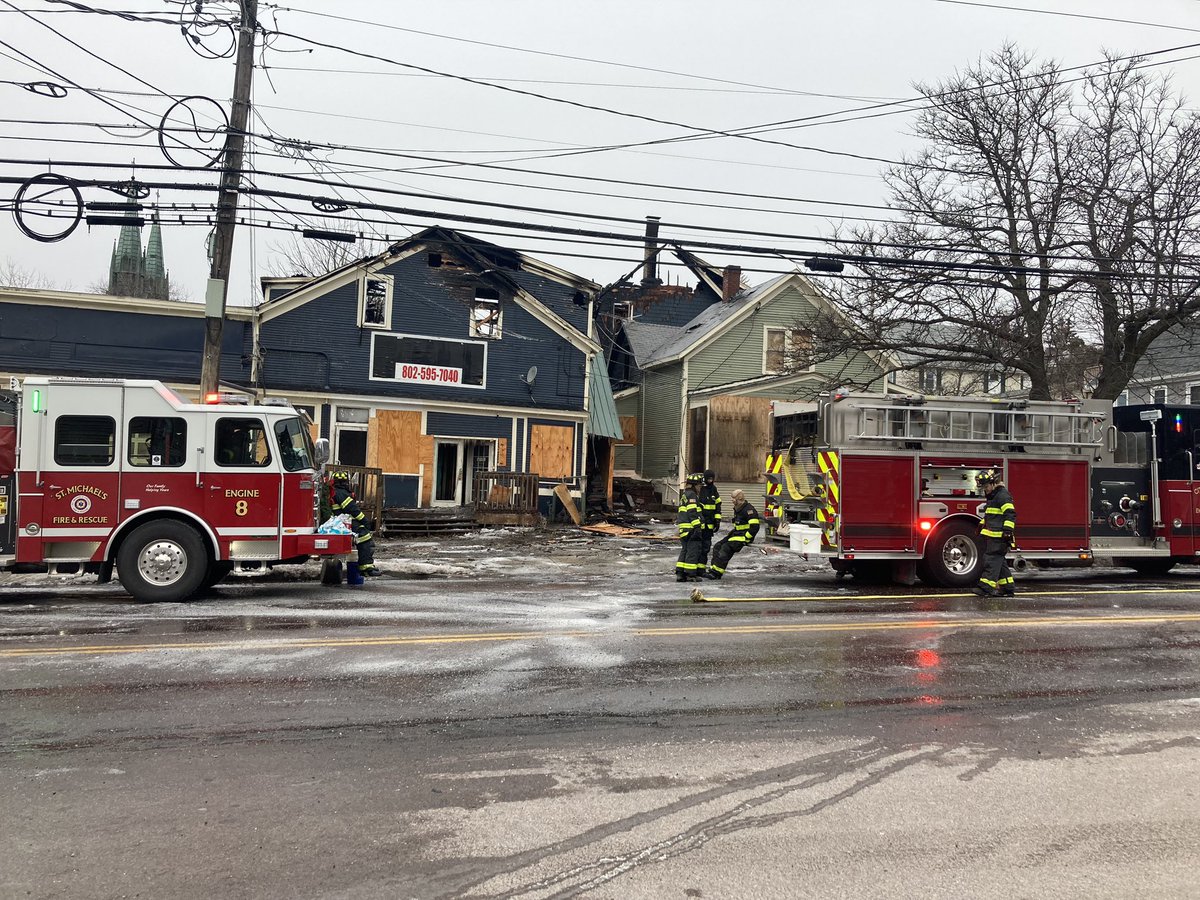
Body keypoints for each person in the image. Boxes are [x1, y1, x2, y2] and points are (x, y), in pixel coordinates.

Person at [329, 470, 380, 576]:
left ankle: (366, 566)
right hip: (344, 523)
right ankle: (366, 567)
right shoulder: (341, 493)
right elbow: (353, 509)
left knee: (365, 536)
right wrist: (365, 522)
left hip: (342, 522)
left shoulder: (336, 492)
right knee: (364, 536)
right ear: (345, 482)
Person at [974, 469, 1015, 597]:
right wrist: (982, 523)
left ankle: (985, 588)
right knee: (1000, 563)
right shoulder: (993, 496)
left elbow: (1010, 514)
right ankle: (1007, 587)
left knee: (991, 560)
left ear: (993, 483)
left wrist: (1007, 531)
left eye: (986, 487)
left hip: (999, 537)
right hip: (994, 536)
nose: (985, 490)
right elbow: (991, 514)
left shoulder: (1002, 496)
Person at [707, 490, 761, 579]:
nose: (732, 500)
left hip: (743, 537)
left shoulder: (749, 510)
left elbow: (754, 527)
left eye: (733, 498)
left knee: (725, 548)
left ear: (739, 499)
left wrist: (746, 538)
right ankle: (713, 570)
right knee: (718, 546)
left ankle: (716, 573)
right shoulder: (738, 508)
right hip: (736, 534)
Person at [675, 472, 705, 582]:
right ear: (694, 485)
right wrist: (697, 527)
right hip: (691, 529)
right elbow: (692, 512)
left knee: (685, 550)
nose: (700, 488)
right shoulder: (692, 495)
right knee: (693, 551)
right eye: (699, 486)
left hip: (684, 529)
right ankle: (690, 574)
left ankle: (680, 573)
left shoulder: (685, 494)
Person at [697, 468, 722, 568]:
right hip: (700, 524)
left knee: (706, 547)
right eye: (709, 479)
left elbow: (718, 504)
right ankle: (696, 568)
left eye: (712, 479)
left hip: (709, 525)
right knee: (698, 547)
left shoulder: (713, 489)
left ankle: (701, 569)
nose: (710, 481)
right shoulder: (701, 489)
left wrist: (717, 520)